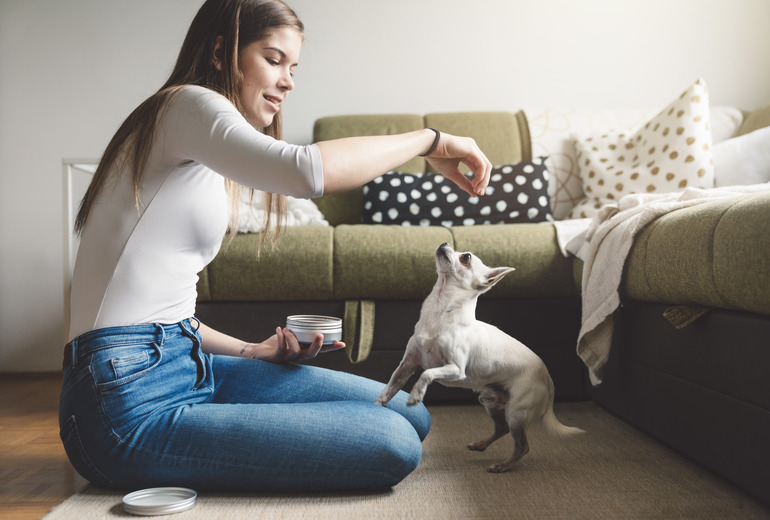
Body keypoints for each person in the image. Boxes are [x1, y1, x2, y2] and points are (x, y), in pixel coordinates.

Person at [60, 0, 492, 492]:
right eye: (273, 59)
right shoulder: (186, 105)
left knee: (406, 412)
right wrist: (430, 141)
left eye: (293, 67)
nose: (288, 81)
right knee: (394, 440)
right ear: (222, 52)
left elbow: (162, 316)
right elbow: (305, 171)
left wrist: (250, 350)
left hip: (185, 366)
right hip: (118, 408)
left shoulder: (197, 141)